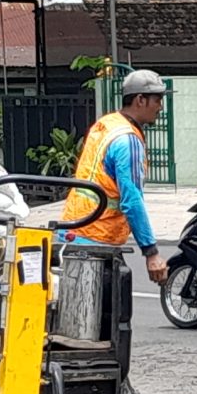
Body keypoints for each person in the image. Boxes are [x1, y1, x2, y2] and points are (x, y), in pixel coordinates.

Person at [63, 68, 169, 286]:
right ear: (140, 99)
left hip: (75, 227)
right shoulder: (127, 141)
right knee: (105, 313)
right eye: (157, 99)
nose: (160, 106)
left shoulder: (107, 124)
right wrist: (151, 252)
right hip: (97, 237)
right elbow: (131, 200)